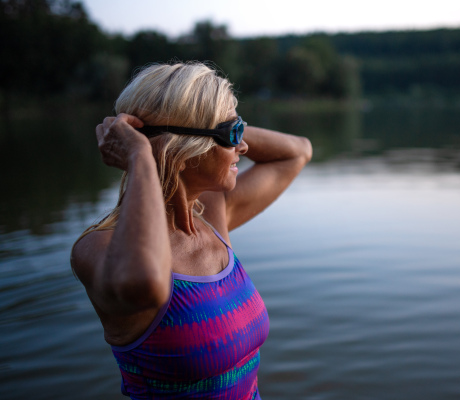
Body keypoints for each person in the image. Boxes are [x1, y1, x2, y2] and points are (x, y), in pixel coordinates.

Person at [71, 62, 312, 399]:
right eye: (233, 135)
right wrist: (142, 154)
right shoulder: (98, 249)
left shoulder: (212, 217)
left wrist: (224, 124)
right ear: (182, 150)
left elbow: (297, 151)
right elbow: (147, 283)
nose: (243, 147)